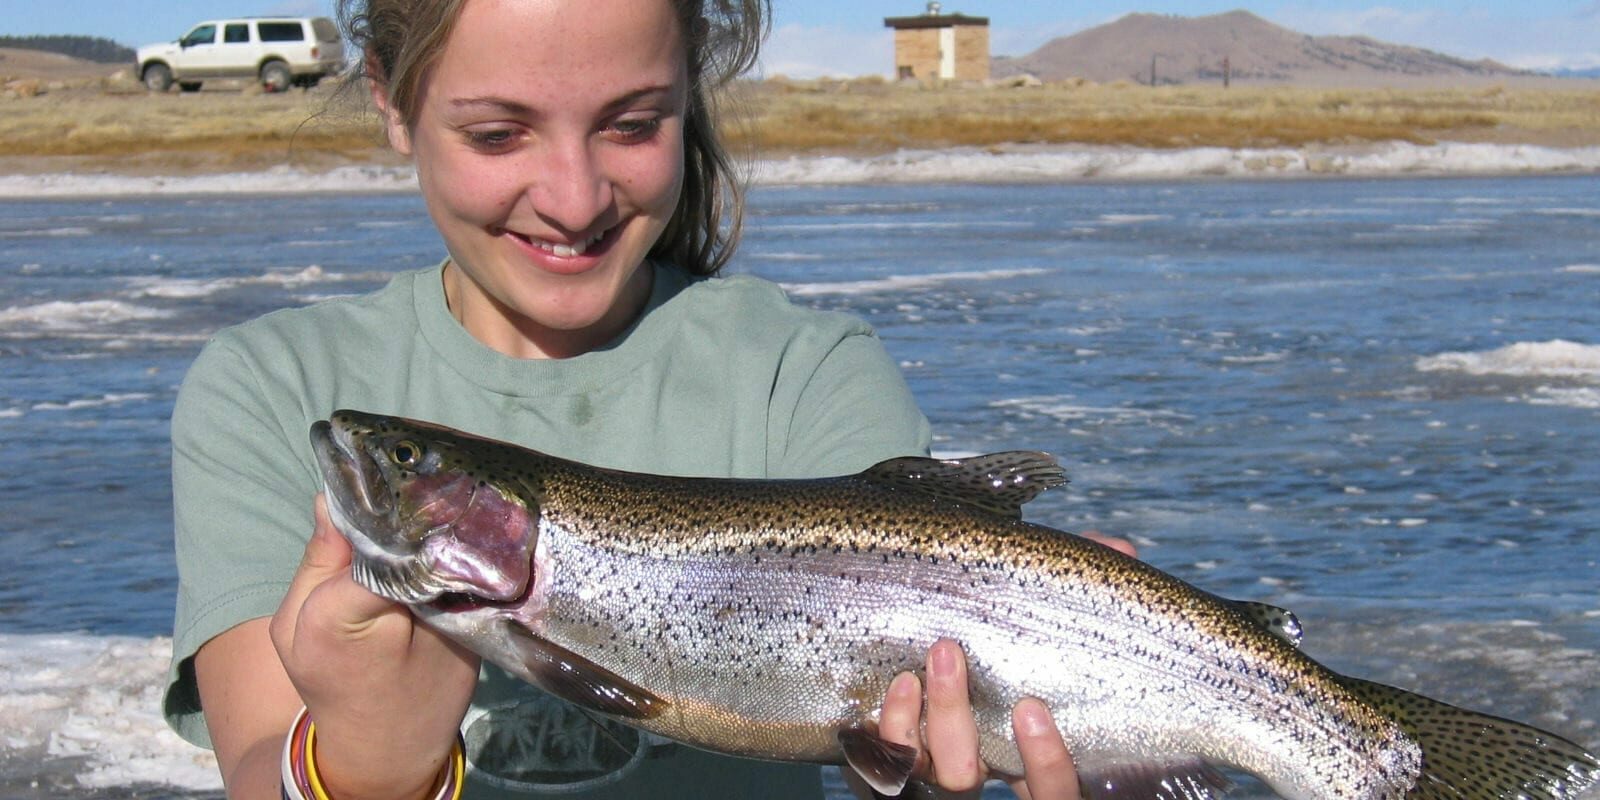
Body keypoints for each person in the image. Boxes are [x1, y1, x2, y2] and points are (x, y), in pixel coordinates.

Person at [162, 1, 1121, 798]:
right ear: (389, 96)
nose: (574, 200)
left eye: (631, 125)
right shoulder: (270, 386)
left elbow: (914, 758)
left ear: (690, 98)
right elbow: (256, 759)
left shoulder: (806, 367)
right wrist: (368, 764)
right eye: (498, 134)